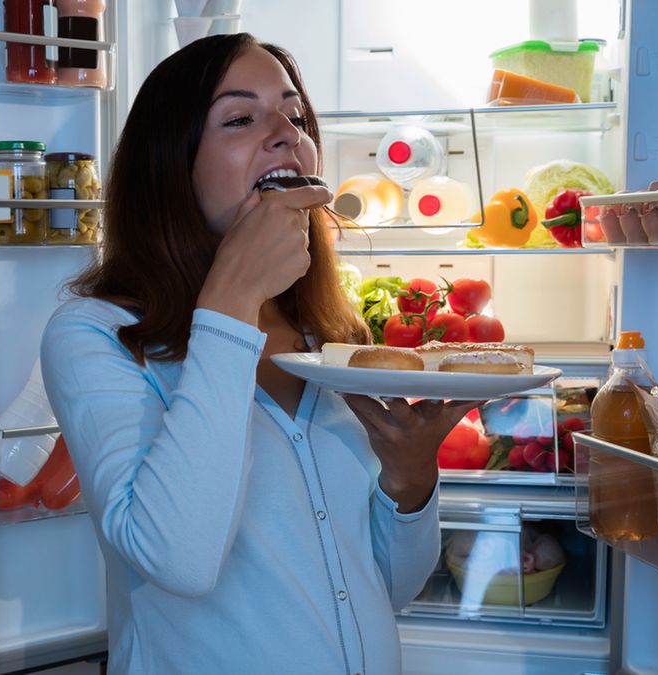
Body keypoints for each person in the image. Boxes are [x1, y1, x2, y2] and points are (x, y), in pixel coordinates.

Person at [41, 33, 480, 675]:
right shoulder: (95, 335)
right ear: (170, 164)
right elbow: (180, 561)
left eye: (295, 115)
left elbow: (384, 591)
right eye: (242, 118)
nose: (285, 134)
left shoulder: (331, 338)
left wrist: (410, 482)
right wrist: (232, 296)